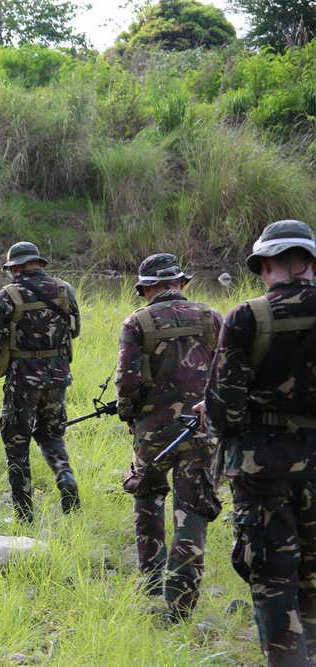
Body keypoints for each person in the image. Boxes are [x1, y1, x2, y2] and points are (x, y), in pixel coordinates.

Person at [197, 220, 316, 666]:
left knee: (273, 582)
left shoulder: (247, 317)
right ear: (311, 263)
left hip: (261, 468)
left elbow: (224, 409)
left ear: (265, 265)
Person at [115, 253, 222, 622]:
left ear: (147, 288)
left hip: (153, 432)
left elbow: (126, 382)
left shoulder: (137, 321)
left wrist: (130, 417)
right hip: (202, 429)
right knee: (193, 509)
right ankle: (181, 602)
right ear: (181, 283)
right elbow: (229, 375)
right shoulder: (211, 317)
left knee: (147, 496)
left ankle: (150, 582)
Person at [0, 242, 80, 523]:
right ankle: (65, 476)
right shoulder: (64, 290)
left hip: (22, 381)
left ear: (13, 268)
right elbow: (75, 329)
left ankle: (24, 515)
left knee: (17, 444)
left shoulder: (5, 296)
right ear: (39, 263)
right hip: (58, 378)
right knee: (52, 434)